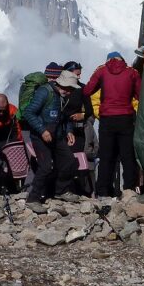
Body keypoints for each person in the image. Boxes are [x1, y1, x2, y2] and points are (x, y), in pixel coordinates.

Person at [82, 51, 141, 198]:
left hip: (107, 118)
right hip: (126, 118)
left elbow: (87, 90)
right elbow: (140, 94)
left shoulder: (102, 70)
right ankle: (129, 189)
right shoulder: (132, 72)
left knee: (107, 156)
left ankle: (103, 191)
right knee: (128, 156)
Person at [23, 70, 79, 213]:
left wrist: (69, 131)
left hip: (57, 136)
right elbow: (28, 112)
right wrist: (42, 130)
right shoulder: (45, 92)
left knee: (70, 161)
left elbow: (64, 117)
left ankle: (61, 190)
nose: (71, 92)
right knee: (46, 166)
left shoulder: (62, 97)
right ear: (63, 85)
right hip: (40, 136)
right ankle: (33, 198)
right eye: (70, 88)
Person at [62, 61, 97, 196]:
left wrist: (82, 115)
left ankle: (81, 190)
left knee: (78, 160)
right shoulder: (61, 89)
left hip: (79, 131)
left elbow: (89, 110)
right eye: (77, 74)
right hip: (64, 130)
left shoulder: (82, 89)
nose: (79, 77)